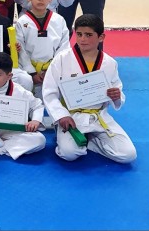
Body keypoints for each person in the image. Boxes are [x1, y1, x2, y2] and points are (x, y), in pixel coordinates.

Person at [42, 14, 136, 163]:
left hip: (98, 116)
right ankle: (71, 136)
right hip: (71, 117)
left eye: (88, 35)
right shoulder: (61, 59)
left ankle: (91, 140)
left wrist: (116, 96)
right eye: (79, 34)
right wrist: (61, 116)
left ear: (101, 37)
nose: (82, 39)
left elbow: (117, 90)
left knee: (128, 155)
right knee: (69, 154)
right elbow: (49, 93)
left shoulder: (109, 63)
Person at [15, 0, 70, 100]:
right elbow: (21, 49)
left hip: (52, 68)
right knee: (24, 85)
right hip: (29, 70)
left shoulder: (59, 20)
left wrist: (51, 70)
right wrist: (32, 72)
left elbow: (64, 47)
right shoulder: (22, 21)